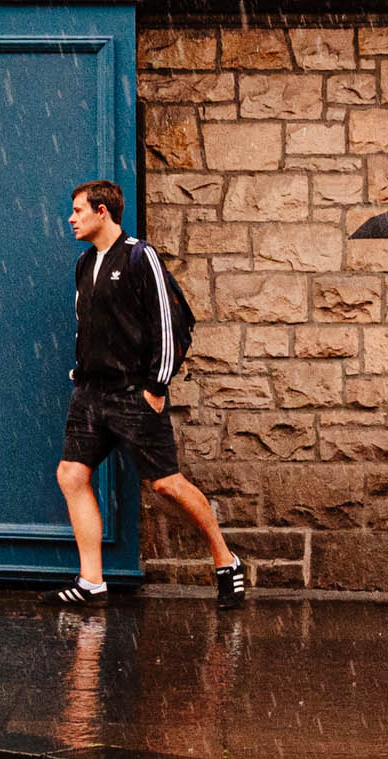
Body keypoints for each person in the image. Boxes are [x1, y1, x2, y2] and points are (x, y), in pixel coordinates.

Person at [46, 178, 247, 610]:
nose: (71, 218)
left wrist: (157, 386)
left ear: (103, 212)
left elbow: (170, 325)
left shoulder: (141, 257)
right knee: (72, 474)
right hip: (90, 393)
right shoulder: (84, 264)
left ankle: (227, 562)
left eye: (78, 210)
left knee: (167, 485)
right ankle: (92, 581)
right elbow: (88, 326)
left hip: (134, 393)